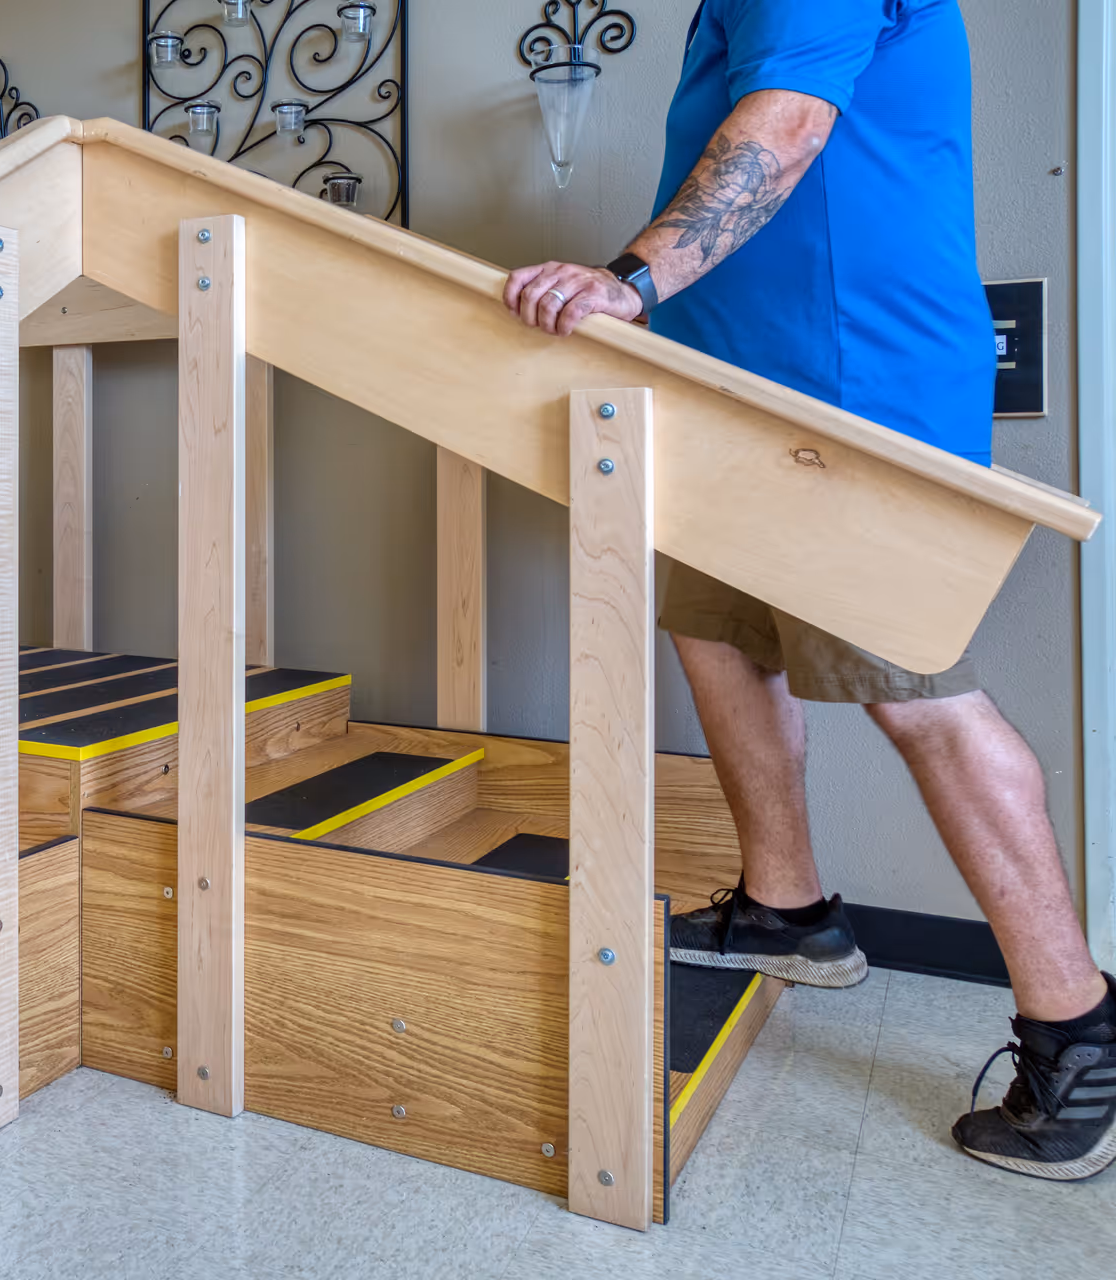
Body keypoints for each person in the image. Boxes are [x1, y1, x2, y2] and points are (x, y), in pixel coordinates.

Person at [502, 0, 1116, 1182]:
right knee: (717, 633)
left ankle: (1078, 1028)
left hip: (851, 388)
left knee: (919, 694)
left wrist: (629, 280)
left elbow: (785, 126)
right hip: (745, 385)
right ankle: (787, 910)